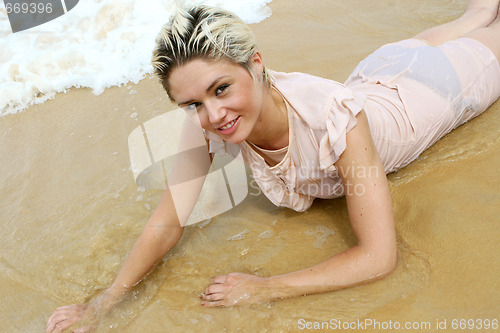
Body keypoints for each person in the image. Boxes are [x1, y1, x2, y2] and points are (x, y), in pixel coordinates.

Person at [46, 1, 500, 331]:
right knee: (473, 14)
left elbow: (379, 257)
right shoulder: (205, 122)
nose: (213, 114)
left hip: (439, 88)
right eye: (192, 104)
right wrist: (105, 301)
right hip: (380, 66)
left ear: (256, 64)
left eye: (221, 88)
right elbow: (166, 224)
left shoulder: (331, 117)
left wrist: (265, 288)